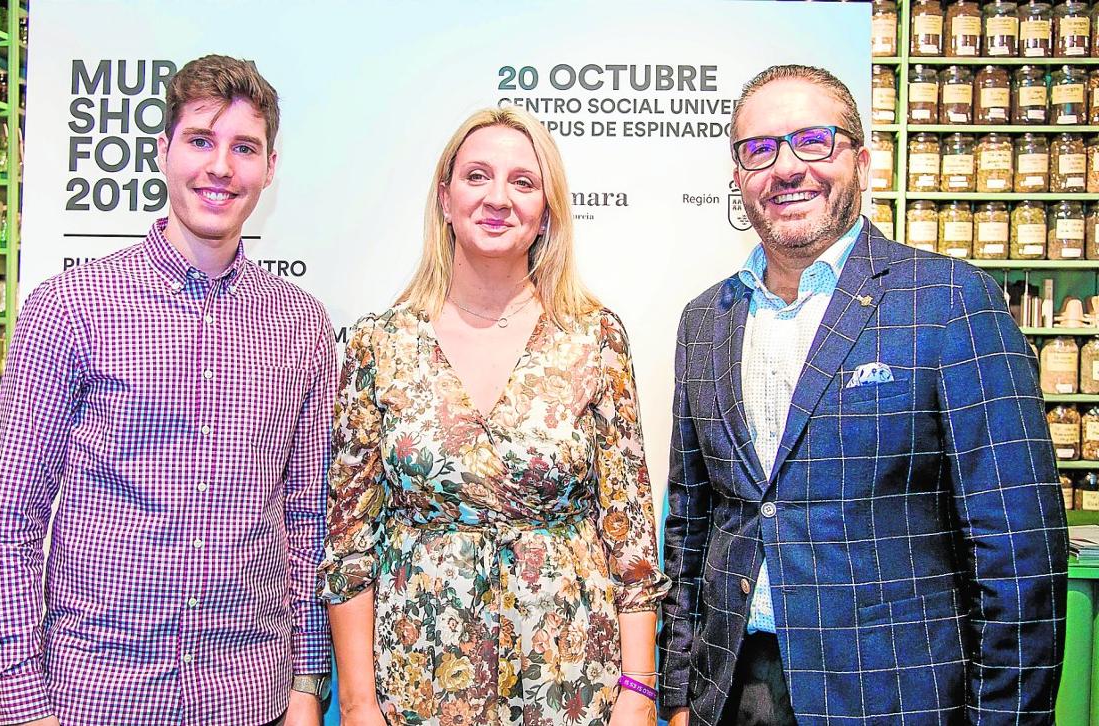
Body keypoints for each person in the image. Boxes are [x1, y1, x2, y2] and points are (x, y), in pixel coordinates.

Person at [658, 64, 1068, 726]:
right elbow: (691, 524)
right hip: (734, 690)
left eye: (813, 141)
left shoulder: (950, 301)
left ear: (863, 161)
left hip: (897, 695)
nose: (786, 168)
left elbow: (1018, 550)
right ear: (738, 177)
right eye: (758, 150)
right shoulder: (706, 319)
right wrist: (679, 693)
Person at [0, 55, 336, 726]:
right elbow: (7, 524)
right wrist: (24, 703)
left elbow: (308, 521)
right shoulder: (69, 307)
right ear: (164, 151)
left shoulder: (302, 325)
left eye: (243, 148)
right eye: (201, 140)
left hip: (247, 697)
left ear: (270, 168)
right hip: (99, 695)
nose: (220, 167)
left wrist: (307, 682)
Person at [318, 105, 669, 726]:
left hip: (572, 678)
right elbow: (350, 541)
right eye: (477, 176)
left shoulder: (593, 339)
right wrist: (357, 701)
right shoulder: (380, 343)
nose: (498, 198)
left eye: (523, 182)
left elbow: (631, 536)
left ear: (547, 214)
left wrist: (638, 696)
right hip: (417, 683)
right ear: (444, 199)